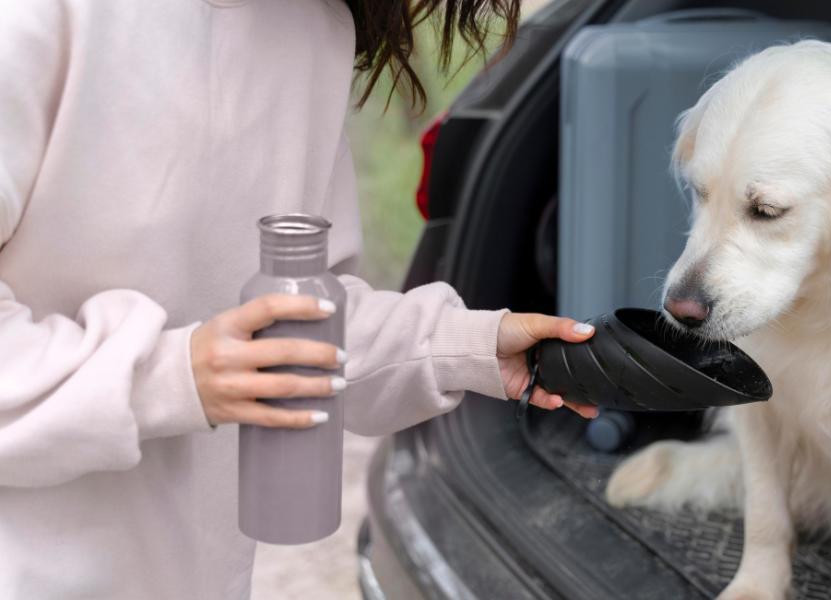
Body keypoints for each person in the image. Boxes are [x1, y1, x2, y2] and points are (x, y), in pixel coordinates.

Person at [0, 1, 593, 598]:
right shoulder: (37, 18)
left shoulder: (312, 32)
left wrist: (473, 345)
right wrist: (171, 377)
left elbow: (306, 320)